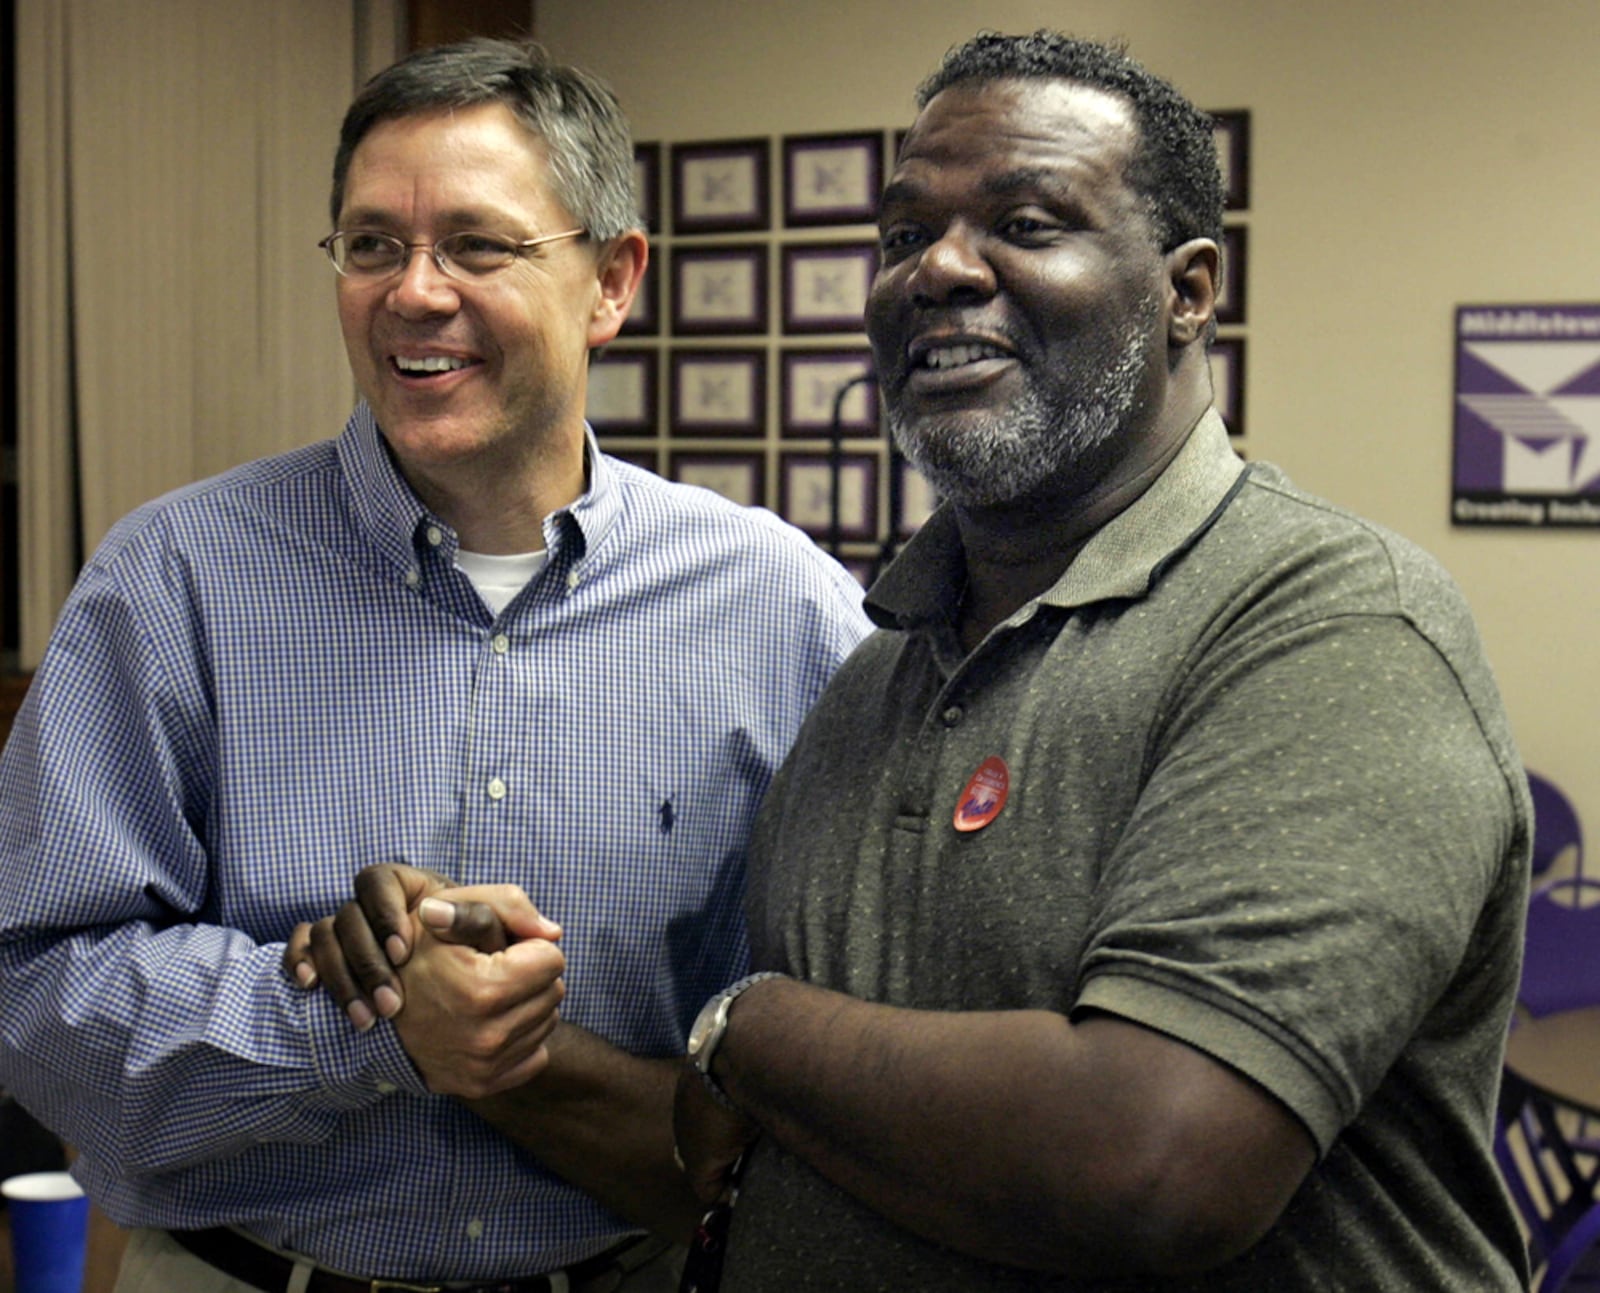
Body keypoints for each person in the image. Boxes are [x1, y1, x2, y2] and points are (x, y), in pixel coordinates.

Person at [658, 31, 1530, 1291]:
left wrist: (747, 1029)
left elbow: (1156, 1163)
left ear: (1186, 292)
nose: (939, 270)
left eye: (1025, 219)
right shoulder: (877, 665)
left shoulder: (1331, 628)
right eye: (903, 235)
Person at [0, 37, 869, 1293]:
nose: (413, 290)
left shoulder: (776, 605)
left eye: (477, 244)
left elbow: (827, 1018)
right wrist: (353, 1023)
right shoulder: (175, 579)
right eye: (370, 245)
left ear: (611, 280)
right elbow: (33, 1001)